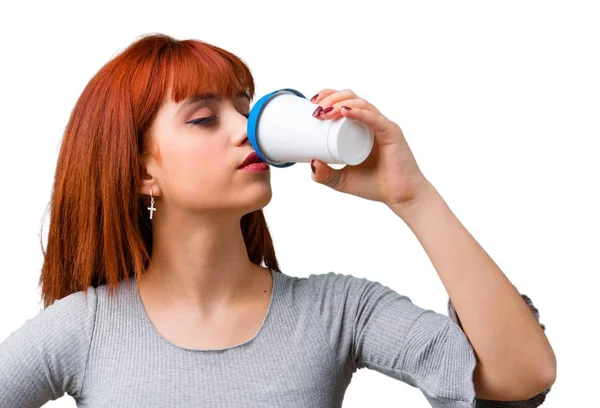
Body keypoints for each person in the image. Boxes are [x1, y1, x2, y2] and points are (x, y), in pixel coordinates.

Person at [0, 33, 555, 407]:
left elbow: (521, 377)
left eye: (245, 106)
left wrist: (412, 196)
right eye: (202, 118)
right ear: (144, 173)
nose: (246, 129)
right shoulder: (84, 329)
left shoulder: (337, 311)